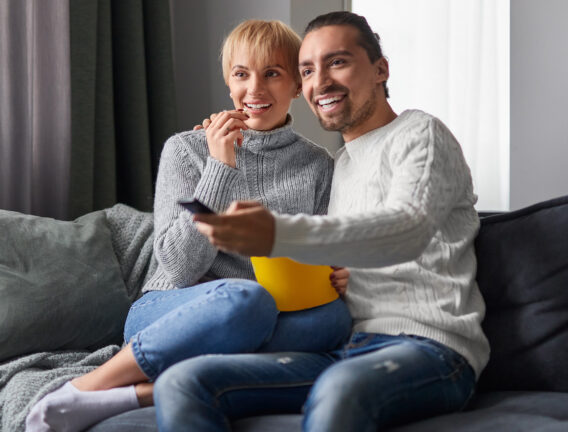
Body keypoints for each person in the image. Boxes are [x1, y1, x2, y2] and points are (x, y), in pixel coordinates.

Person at [153, 11, 490, 432]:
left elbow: (407, 229)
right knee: (185, 383)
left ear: (381, 69)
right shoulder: (337, 166)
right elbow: (338, 255)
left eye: (338, 62)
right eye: (308, 69)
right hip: (341, 347)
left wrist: (277, 233)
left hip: (430, 349)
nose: (320, 81)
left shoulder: (420, 133)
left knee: (340, 389)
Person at [25, 20, 353, 432]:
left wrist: (338, 273)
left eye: (272, 73)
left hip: (272, 316)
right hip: (176, 311)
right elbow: (179, 266)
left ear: (296, 86)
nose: (255, 89)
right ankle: (85, 388)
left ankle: (145, 391)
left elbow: (318, 254)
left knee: (333, 321)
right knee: (246, 300)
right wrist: (219, 167)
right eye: (241, 74)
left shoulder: (318, 165)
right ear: (228, 82)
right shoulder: (186, 149)